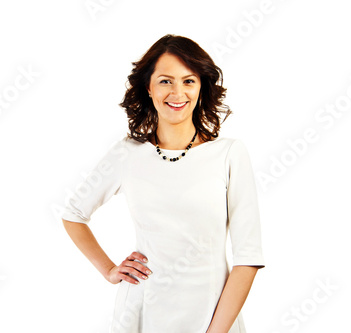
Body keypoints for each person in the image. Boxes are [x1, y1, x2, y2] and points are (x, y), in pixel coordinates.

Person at [61, 34, 265, 333]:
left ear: (201, 87)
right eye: (165, 81)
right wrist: (109, 270)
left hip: (211, 317)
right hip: (141, 314)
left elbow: (248, 257)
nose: (177, 92)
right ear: (149, 87)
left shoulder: (229, 153)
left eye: (188, 81)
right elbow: (74, 215)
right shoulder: (127, 153)